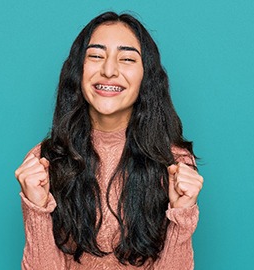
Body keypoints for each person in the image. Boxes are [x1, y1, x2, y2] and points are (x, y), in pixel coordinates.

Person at [14, 11, 204, 269]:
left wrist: (182, 215)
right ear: (78, 70)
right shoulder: (44, 162)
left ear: (145, 76)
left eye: (126, 58)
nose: (109, 70)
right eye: (95, 56)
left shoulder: (174, 164)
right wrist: (37, 209)